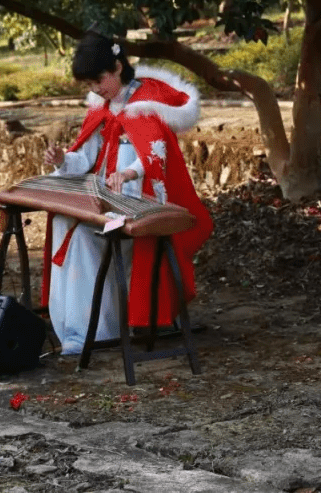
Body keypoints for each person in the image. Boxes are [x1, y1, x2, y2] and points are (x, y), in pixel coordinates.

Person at [40, 32, 213, 354]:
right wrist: (63, 159)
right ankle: (83, 327)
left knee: (80, 235)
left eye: (98, 80)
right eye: (89, 85)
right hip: (109, 198)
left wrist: (130, 171)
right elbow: (88, 158)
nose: (95, 89)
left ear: (117, 67)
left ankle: (94, 329)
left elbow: (156, 153)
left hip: (141, 200)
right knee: (63, 223)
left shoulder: (146, 101)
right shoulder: (102, 107)